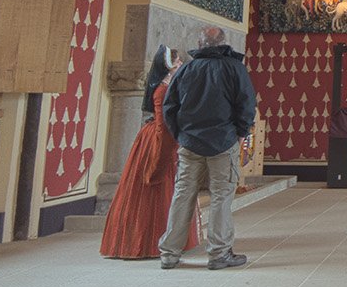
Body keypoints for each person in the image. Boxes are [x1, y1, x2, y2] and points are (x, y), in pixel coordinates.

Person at [159, 26, 256, 270]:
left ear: (200, 44)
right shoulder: (234, 68)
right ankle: (219, 253)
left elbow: (170, 106)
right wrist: (240, 133)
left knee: (183, 195)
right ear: (223, 43)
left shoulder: (186, 69)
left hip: (190, 143)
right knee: (221, 196)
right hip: (223, 142)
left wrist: (181, 134)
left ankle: (169, 253)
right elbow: (246, 104)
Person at [100, 46, 199, 260]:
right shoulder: (163, 91)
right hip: (158, 142)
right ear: (169, 67)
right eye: (177, 63)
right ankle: (149, 242)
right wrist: (158, 162)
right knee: (157, 194)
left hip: (161, 138)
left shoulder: (168, 86)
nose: (181, 65)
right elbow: (164, 128)